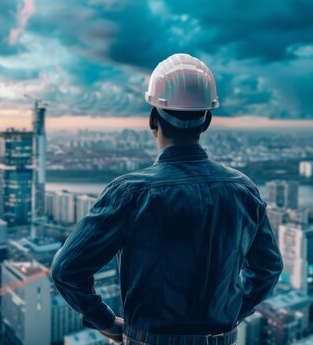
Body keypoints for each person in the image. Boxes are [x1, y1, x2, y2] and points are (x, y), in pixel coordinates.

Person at [50, 53, 283, 345]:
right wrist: (233, 311)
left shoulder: (130, 193)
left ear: (153, 119)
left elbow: (66, 269)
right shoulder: (243, 190)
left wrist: (107, 322)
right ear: (206, 120)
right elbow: (268, 268)